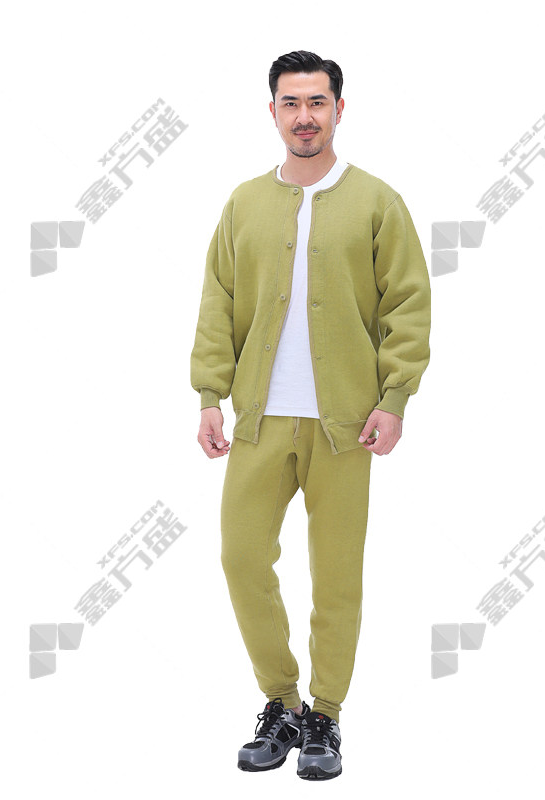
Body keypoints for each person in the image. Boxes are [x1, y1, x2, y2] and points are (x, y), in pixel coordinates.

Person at [190, 50, 432, 780]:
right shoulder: (243, 203)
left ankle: (325, 714)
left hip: (346, 425)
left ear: (338, 109)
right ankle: (282, 702)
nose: (304, 116)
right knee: (240, 557)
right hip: (259, 422)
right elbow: (218, 303)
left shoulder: (377, 201)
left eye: (317, 102)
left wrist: (395, 398)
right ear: (273, 111)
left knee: (336, 577)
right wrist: (209, 395)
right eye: (291, 103)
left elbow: (407, 304)